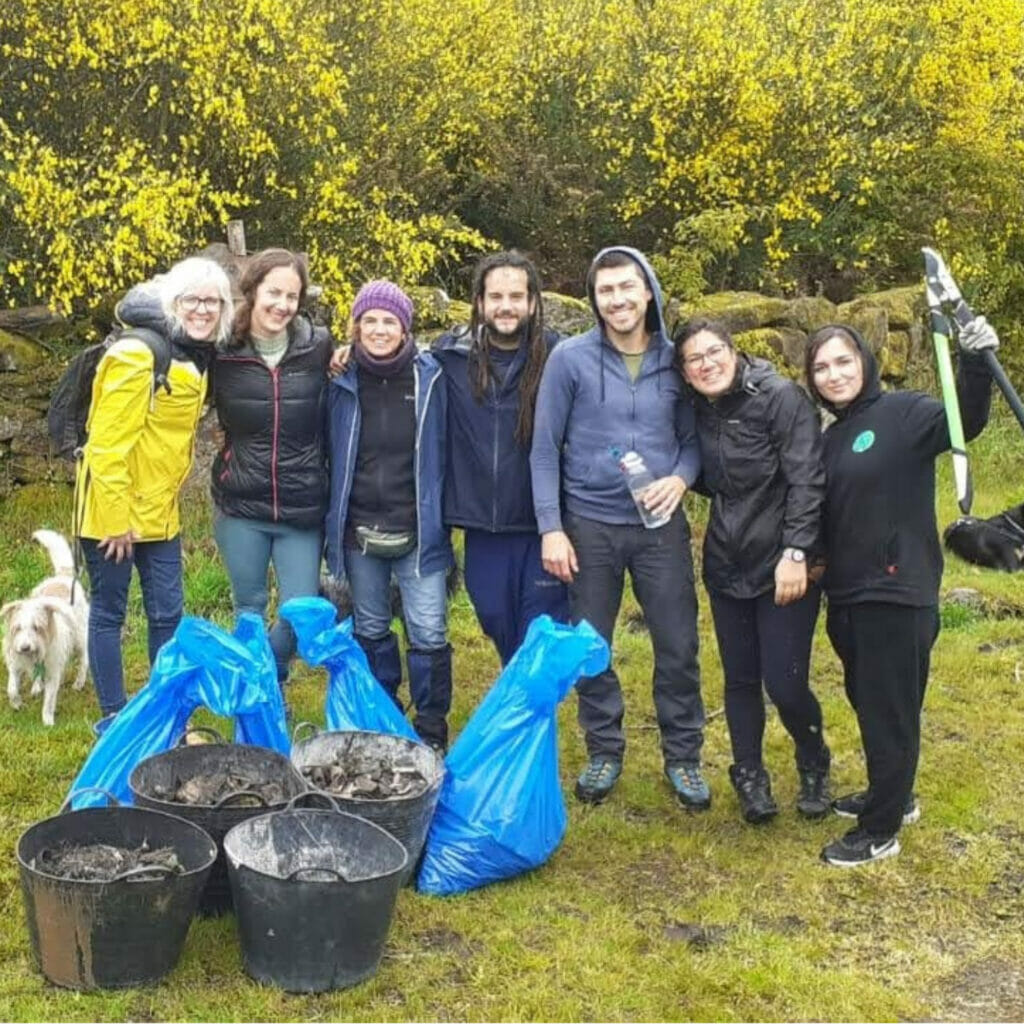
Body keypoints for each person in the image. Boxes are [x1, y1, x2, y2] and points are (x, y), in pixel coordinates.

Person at [805, 318, 997, 866]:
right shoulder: (832, 436)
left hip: (897, 588)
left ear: (865, 361)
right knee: (871, 701)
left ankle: (880, 829)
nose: (834, 374)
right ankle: (894, 791)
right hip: (847, 593)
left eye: (843, 361)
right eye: (821, 367)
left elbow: (967, 420)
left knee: (890, 710)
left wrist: (975, 360)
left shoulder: (906, 414)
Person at [530, 246, 708, 808]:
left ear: (648, 290)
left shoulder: (676, 360)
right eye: (606, 290)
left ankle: (684, 756)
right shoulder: (570, 359)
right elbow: (543, 448)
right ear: (594, 299)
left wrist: (680, 480)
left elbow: (693, 442)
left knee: (678, 645)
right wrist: (551, 528)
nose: (618, 300)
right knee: (591, 647)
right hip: (589, 525)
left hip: (661, 528)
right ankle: (603, 748)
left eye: (627, 287)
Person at [675, 319, 830, 825]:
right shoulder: (694, 407)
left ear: (734, 351)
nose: (706, 364)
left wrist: (797, 552)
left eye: (714, 351)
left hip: (783, 562)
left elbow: (808, 479)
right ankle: (749, 773)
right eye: (694, 359)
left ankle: (813, 759)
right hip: (726, 559)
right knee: (740, 678)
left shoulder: (780, 398)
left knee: (785, 682)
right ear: (684, 371)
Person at [74, 257, 234, 734]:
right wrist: (116, 519)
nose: (204, 310)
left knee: (168, 610)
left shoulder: (194, 354)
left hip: (160, 512)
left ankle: (160, 709)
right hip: (113, 511)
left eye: (214, 301)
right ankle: (114, 718)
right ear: (173, 302)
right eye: (193, 300)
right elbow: (105, 447)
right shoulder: (137, 356)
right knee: (110, 610)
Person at [325, 280, 453, 750]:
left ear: (406, 328)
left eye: (390, 321)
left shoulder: (432, 377)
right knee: (370, 628)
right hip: (359, 531)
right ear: (356, 327)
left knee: (428, 630)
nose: (379, 330)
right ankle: (383, 716)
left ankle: (431, 729)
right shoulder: (339, 379)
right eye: (370, 321)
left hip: (420, 530)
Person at [432, 251, 568, 666]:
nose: (505, 306)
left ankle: (530, 710)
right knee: (493, 617)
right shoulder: (451, 356)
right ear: (479, 302)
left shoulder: (559, 358)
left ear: (532, 302)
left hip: (540, 522)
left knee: (538, 626)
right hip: (481, 523)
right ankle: (521, 693)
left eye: (515, 296)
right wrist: (342, 357)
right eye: (495, 297)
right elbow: (393, 362)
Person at [211, 249, 332, 687]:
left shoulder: (318, 346)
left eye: (292, 296)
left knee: (300, 616)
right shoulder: (221, 349)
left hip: (301, 507)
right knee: (249, 610)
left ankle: (268, 677)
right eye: (274, 292)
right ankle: (258, 700)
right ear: (252, 291)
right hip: (240, 503)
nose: (282, 304)